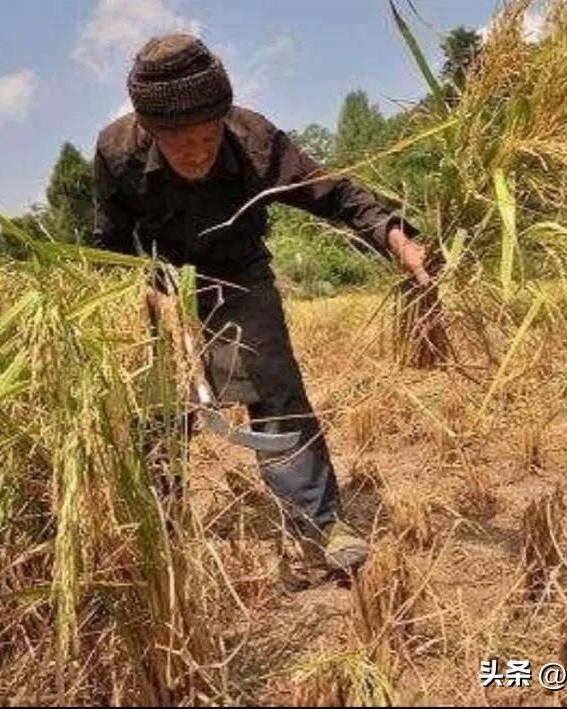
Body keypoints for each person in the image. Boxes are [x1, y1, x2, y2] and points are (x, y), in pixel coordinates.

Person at [93, 33, 430, 575]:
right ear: (152, 133)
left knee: (275, 391)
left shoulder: (253, 138)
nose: (199, 152)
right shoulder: (117, 151)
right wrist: (144, 287)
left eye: (208, 137)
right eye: (182, 144)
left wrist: (396, 237)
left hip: (237, 271)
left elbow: (335, 194)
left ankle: (319, 524)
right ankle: (155, 523)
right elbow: (109, 242)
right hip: (158, 283)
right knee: (156, 408)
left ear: (223, 118)